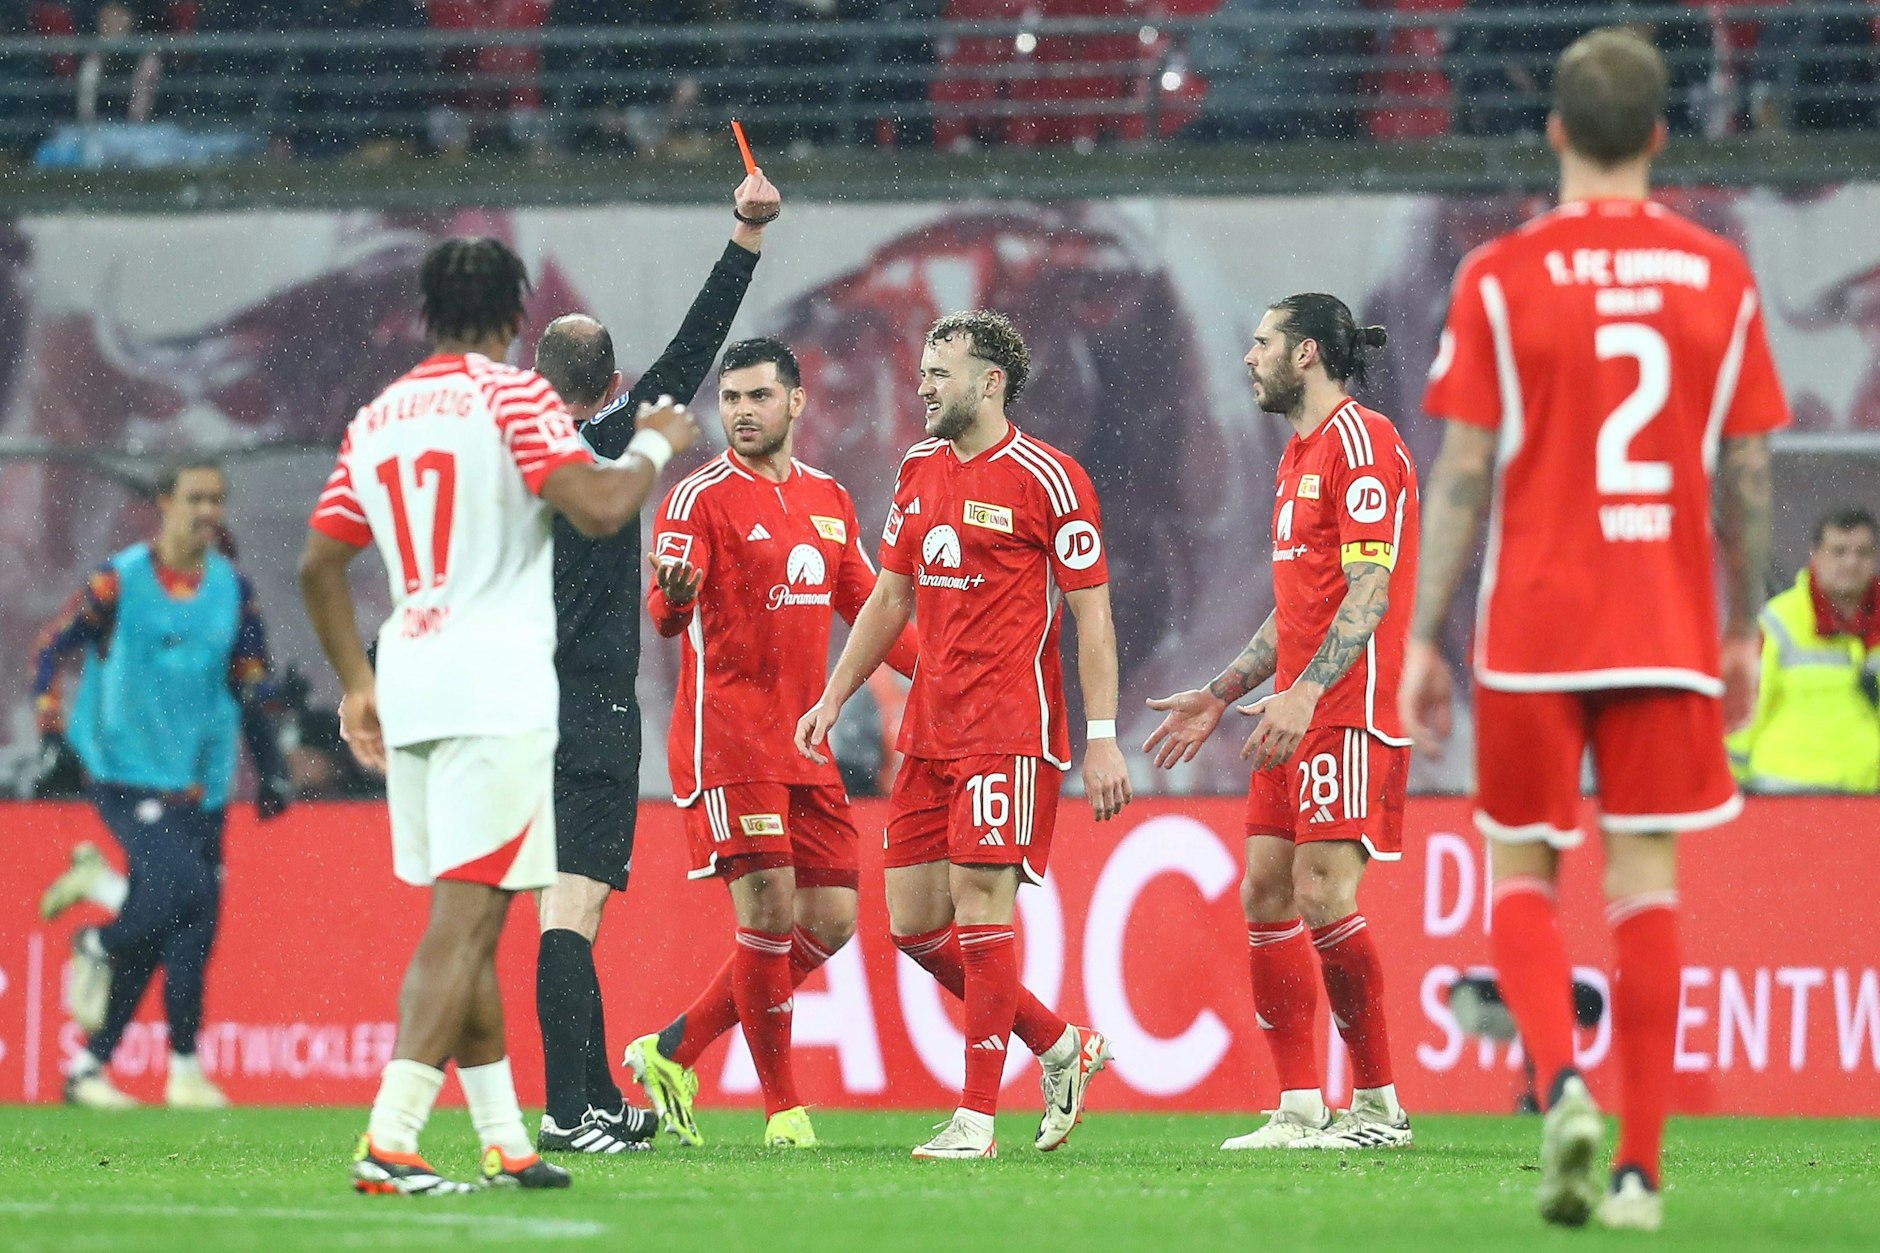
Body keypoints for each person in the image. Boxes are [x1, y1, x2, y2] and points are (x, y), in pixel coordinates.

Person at [1401, 27, 1788, 1232]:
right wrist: (1735, 624)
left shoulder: (1500, 276)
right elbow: (1747, 472)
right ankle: (1637, 1172)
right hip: (1665, 622)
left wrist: (1420, 637)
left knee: (1521, 873)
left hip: (1532, 626)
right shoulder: (1715, 275)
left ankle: (1556, 1083)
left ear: (1554, 130)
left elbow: (1461, 470)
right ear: (1661, 136)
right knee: (1646, 888)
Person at [298, 235, 699, 1195]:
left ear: (424, 312)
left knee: (470, 918)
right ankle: (392, 1137)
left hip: (413, 681)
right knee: (464, 922)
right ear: (514, 315)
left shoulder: (381, 414)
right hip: (497, 690)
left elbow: (318, 566)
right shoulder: (517, 399)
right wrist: (654, 443)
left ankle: (504, 1137)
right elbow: (599, 506)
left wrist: (357, 683)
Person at [796, 309, 1132, 1160]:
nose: (922, 387)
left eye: (938, 373)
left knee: (983, 911)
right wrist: (836, 694)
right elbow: (889, 597)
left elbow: (1092, 615)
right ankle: (1061, 1047)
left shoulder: (1051, 479)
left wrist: (1101, 735)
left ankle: (976, 1119)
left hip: (1009, 730)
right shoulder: (916, 470)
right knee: (913, 923)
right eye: (921, 373)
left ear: (991, 381)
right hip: (929, 732)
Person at [529, 168, 782, 1157]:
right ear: (605, 384)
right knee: (574, 905)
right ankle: (567, 1106)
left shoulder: (518, 458)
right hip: (587, 701)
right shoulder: (600, 439)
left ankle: (592, 1097)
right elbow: (689, 357)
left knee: (566, 901)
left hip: (526, 704)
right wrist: (744, 240)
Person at [621, 336, 919, 1149]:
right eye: (732, 399)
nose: (743, 412)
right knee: (768, 910)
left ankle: (673, 1049)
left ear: (796, 402)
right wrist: (673, 602)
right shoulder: (698, 497)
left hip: (804, 742)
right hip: (729, 741)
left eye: (759, 397)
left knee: (831, 918)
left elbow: (874, 610)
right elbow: (665, 609)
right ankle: (783, 1107)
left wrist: (945, 677)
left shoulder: (828, 499)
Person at [1144, 294, 1418, 1152]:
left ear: (1305, 353)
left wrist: (1307, 694)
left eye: (1261, 343)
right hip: (1288, 711)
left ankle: (1378, 1107)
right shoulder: (1296, 455)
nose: (1247, 357)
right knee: (1265, 892)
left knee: (1323, 894)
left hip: (1344, 711)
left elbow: (1368, 588)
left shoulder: (1363, 444)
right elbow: (1293, 606)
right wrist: (1223, 689)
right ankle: (1300, 1104)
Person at [31, 459, 292, 1111]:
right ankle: (96, 938)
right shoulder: (118, 580)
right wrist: (50, 724)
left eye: (217, 499)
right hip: (123, 770)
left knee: (189, 926)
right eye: (195, 497)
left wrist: (272, 769)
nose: (208, 510)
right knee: (187, 889)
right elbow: (51, 646)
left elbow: (251, 684)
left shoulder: (234, 590)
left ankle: (128, 1068)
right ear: (164, 503)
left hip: (200, 780)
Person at [1727, 507, 1879, 793]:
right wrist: (1732, 784)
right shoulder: (1777, 622)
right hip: (1785, 792)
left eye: (1863, 552)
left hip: (1867, 794)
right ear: (1815, 554)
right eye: (1839, 551)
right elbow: (1743, 711)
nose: (1850, 562)